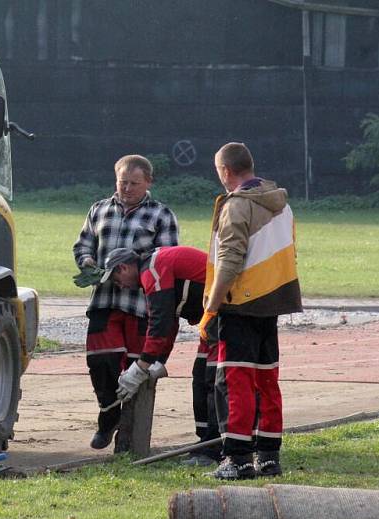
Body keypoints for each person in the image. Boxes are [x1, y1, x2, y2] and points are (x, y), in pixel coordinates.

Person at [199, 142, 301, 480]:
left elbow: (229, 260)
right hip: (271, 301)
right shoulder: (281, 204)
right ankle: (269, 456)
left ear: (226, 171)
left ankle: (238, 458)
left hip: (239, 304)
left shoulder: (236, 206)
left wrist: (212, 306)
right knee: (266, 379)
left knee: (234, 381)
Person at [72, 154, 179, 451]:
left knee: (136, 370)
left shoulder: (161, 215)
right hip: (105, 300)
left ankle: (128, 438)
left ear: (148, 182)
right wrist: (88, 261)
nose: (127, 188)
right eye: (122, 182)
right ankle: (108, 418)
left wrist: (135, 267)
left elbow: (167, 259)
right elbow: (82, 244)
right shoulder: (99, 209)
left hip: (141, 305)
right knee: (100, 362)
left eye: (134, 183)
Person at [98, 246, 222, 465]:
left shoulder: (152, 271)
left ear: (124, 266)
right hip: (212, 317)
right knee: (201, 377)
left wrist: (140, 368)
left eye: (117, 278)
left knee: (212, 380)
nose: (120, 285)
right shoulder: (154, 267)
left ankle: (214, 449)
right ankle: (206, 444)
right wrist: (158, 361)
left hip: (224, 313)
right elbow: (170, 321)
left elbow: (160, 322)